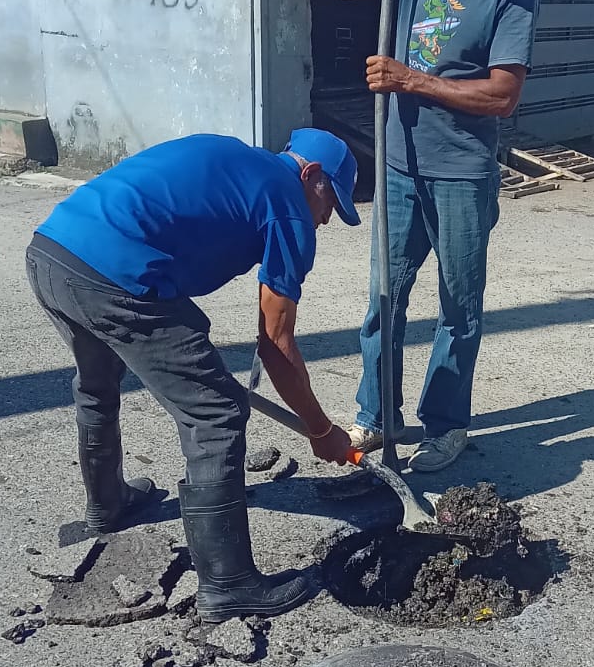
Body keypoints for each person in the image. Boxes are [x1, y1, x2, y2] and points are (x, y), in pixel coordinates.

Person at [24, 130, 359, 622]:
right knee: (217, 414)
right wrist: (321, 431)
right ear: (310, 176)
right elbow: (276, 344)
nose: (327, 218)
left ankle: (108, 505)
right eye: (330, 201)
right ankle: (228, 586)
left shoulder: (230, 154)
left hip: (52, 253)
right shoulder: (287, 203)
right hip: (115, 277)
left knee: (97, 383)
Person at [325, 0, 538, 472]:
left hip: (462, 174)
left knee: (458, 306)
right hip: (398, 164)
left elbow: (503, 95)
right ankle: (376, 415)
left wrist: (410, 80)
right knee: (383, 300)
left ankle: (445, 424)